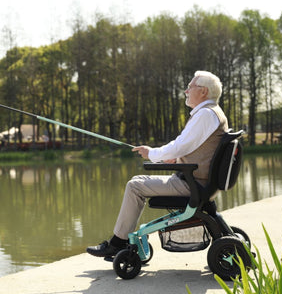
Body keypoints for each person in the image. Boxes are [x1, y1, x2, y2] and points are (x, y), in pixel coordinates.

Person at [86, 70, 228, 257]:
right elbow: (189, 147)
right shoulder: (212, 113)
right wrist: (173, 158)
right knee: (138, 180)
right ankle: (122, 239)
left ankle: (117, 242)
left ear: (203, 91)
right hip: (198, 181)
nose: (186, 91)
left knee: (134, 186)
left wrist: (151, 153)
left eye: (189, 87)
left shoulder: (205, 115)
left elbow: (179, 145)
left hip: (192, 184)